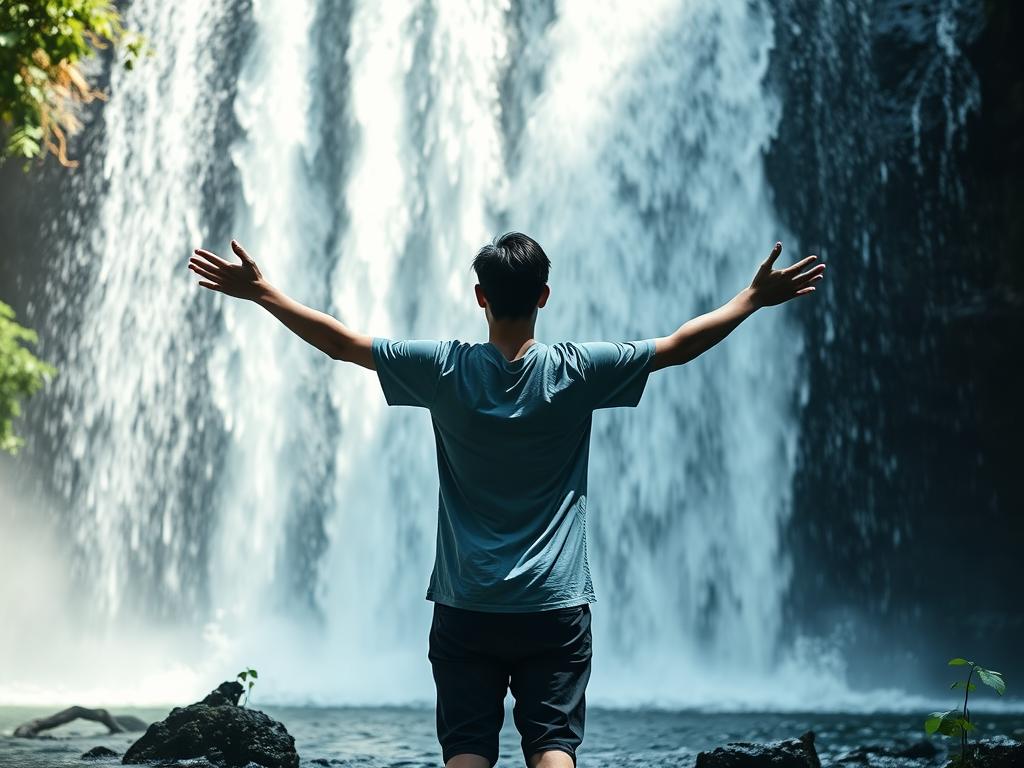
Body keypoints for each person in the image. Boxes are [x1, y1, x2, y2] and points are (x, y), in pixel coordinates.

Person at [188, 233, 825, 768]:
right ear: (545, 298)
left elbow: (342, 343)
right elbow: (677, 346)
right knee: (553, 746)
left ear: (480, 298)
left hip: (467, 603)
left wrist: (261, 292)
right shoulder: (579, 371)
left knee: (466, 750)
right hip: (555, 604)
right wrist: (751, 298)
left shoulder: (443, 369)